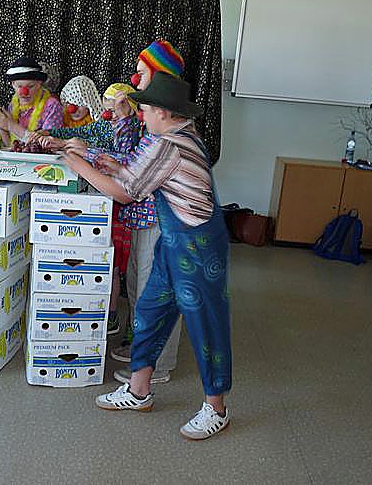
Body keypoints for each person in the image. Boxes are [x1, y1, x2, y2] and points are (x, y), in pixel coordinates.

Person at [63, 72, 232, 441]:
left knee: (206, 323)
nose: (143, 116)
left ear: (164, 113)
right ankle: (139, 390)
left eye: (147, 110)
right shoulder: (181, 135)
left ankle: (216, 408)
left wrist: (79, 165)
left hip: (197, 247)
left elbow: (125, 193)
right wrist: (106, 161)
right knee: (151, 311)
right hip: (176, 243)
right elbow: (140, 172)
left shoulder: (169, 144)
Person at [97, 40, 187, 385]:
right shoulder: (151, 115)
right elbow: (135, 162)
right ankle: (144, 353)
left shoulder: (167, 125)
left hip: (161, 222)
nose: (135, 78)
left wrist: (85, 160)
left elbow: (134, 181)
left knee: (156, 294)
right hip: (143, 217)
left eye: (141, 71)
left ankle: (158, 366)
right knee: (138, 287)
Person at [32, 81, 141, 335]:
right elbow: (82, 133)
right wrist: (50, 135)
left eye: (114, 111)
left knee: (116, 265)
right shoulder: (106, 124)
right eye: (107, 110)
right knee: (102, 262)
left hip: (121, 205)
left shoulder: (132, 130)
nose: (109, 116)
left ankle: (117, 320)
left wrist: (81, 150)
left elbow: (121, 158)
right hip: (106, 202)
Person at [0, 57, 62, 141]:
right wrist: (0, 123)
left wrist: (11, 125)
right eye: (19, 86)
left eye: (30, 86)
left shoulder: (52, 106)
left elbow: (49, 143)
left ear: (39, 84)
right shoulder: (13, 105)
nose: (24, 92)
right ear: (13, 85)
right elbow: (10, 145)